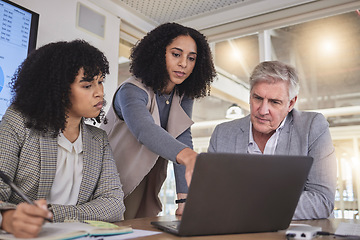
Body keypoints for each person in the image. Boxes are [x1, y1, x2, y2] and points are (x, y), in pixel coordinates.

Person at [0, 40, 125, 238]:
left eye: (100, 81)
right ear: (58, 91)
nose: (100, 92)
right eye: (87, 85)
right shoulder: (19, 122)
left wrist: (51, 213)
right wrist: (7, 217)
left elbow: (114, 204)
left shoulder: (98, 139)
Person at [102, 22, 216, 219]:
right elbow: (144, 130)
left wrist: (184, 199)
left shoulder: (182, 95)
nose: (184, 64)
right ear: (158, 53)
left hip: (149, 180)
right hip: (114, 181)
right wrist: (189, 156)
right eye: (176, 54)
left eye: (191, 58)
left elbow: (182, 138)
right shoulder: (131, 89)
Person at [208, 61, 337, 220]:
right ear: (250, 96)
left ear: (290, 103)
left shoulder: (312, 127)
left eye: (274, 102)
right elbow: (211, 197)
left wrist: (252, 205)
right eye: (257, 98)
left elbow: (322, 200)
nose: (262, 111)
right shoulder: (222, 134)